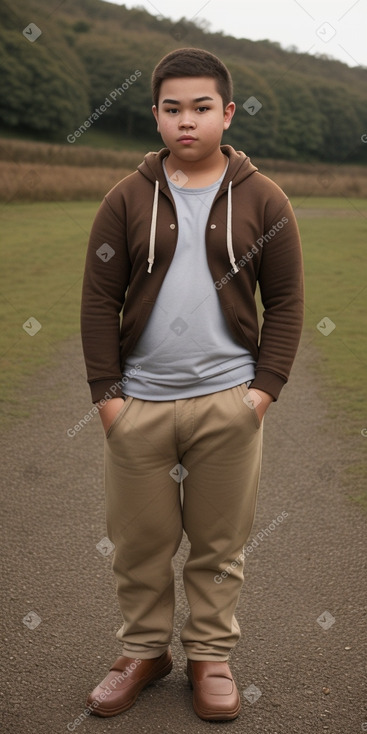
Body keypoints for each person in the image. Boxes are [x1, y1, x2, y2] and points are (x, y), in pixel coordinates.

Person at [80, 47, 304, 722]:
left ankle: (209, 656)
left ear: (226, 113)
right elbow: (97, 299)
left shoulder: (264, 198)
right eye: (172, 108)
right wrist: (107, 399)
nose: (186, 121)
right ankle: (143, 653)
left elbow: (288, 302)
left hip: (228, 403)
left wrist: (260, 392)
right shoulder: (125, 198)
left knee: (217, 545)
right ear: (155, 115)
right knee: (140, 544)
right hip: (139, 405)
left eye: (200, 107)